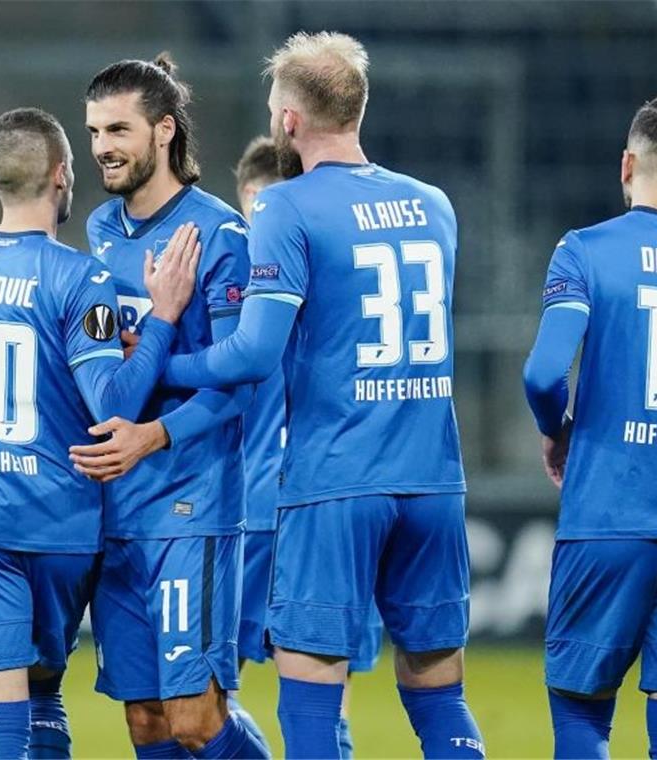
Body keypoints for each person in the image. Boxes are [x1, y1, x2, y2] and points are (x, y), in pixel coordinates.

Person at [161, 32, 486, 758]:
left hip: (336, 480)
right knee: (439, 690)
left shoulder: (286, 208)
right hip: (433, 482)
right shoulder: (434, 205)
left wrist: (163, 367)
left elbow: (254, 351)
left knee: (311, 694)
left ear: (289, 122)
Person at [0, 107, 202, 760]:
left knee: (2, 724)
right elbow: (114, 403)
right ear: (63, 177)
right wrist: (163, 321)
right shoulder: (80, 277)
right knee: (43, 690)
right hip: (60, 524)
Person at [70, 55, 269, 760]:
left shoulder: (218, 237)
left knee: (194, 717)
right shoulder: (99, 228)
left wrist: (154, 435)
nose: (102, 147)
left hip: (192, 505)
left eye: (117, 129)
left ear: (163, 131)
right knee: (146, 720)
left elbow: (239, 382)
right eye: (93, 131)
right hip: (117, 510)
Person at [522, 95, 657, 760]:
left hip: (608, 513)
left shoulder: (584, 251)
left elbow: (543, 374)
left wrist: (558, 429)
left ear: (626, 164)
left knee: (583, 720)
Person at [229, 135, 384, 759]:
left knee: (211, 694)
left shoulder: (234, 284)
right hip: (331, 502)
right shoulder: (351, 279)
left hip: (251, 509)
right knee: (328, 695)